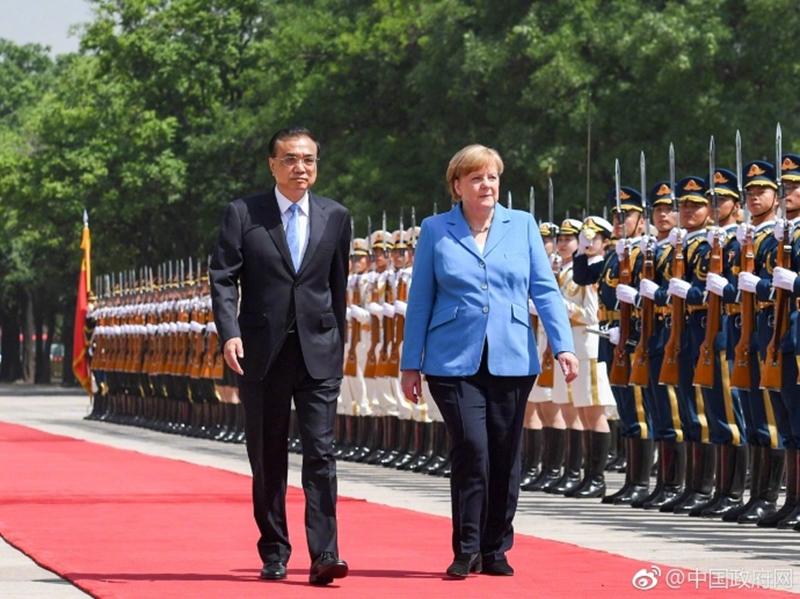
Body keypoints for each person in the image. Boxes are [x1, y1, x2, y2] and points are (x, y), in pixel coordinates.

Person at [400, 144, 578, 579]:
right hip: (451, 359)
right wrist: (410, 363)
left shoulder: (522, 226)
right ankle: (466, 548)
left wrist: (563, 344)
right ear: (457, 185)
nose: (486, 185)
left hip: (512, 356)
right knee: (472, 450)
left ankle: (495, 546)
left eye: (493, 177)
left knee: (504, 453)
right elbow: (420, 298)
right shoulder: (436, 230)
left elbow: (545, 289)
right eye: (476, 178)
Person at [209, 126, 351, 586]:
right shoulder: (244, 214)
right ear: (272, 164)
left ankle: (325, 552)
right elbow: (223, 277)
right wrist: (229, 332)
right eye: (290, 159)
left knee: (321, 453)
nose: (300, 168)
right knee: (268, 455)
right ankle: (274, 549)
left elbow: (337, 287)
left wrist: (339, 346)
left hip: (319, 353)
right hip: (261, 352)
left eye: (308, 159)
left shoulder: (335, 216)